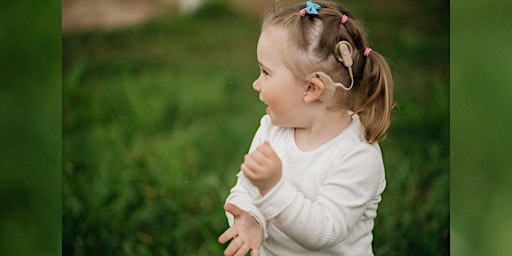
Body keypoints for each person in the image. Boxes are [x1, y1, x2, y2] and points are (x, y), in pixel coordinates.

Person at [218, 0, 394, 255]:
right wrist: (250, 218)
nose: (256, 84)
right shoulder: (271, 130)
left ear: (312, 89)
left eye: (266, 73)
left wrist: (273, 188)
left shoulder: (358, 156)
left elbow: (325, 231)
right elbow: (246, 187)